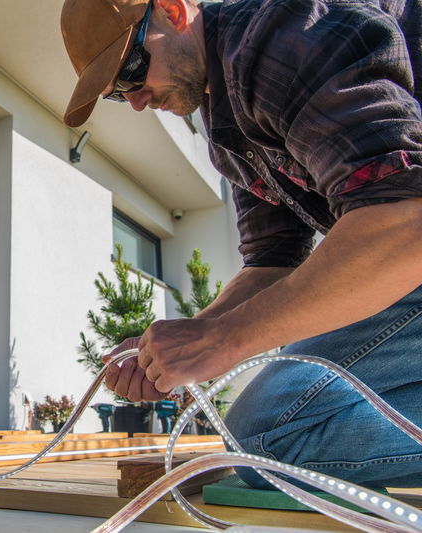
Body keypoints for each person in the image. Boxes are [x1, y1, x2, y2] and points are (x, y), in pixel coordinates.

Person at [60, 0, 422, 489]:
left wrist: (223, 339)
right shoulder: (226, 119)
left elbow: (404, 221)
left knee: (270, 437)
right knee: (264, 439)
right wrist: (186, 337)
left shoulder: (285, 34)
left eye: (131, 71)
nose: (139, 101)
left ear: (172, 10)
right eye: (119, 94)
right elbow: (274, 261)